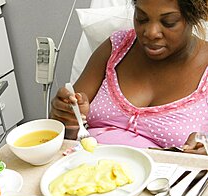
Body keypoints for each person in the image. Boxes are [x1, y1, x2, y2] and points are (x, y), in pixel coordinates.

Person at [50, 0, 208, 152]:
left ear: (193, 16)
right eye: (141, 18)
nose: (151, 33)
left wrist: (204, 148)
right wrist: (65, 117)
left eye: (169, 22)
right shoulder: (116, 48)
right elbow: (63, 130)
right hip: (88, 171)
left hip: (165, 177)